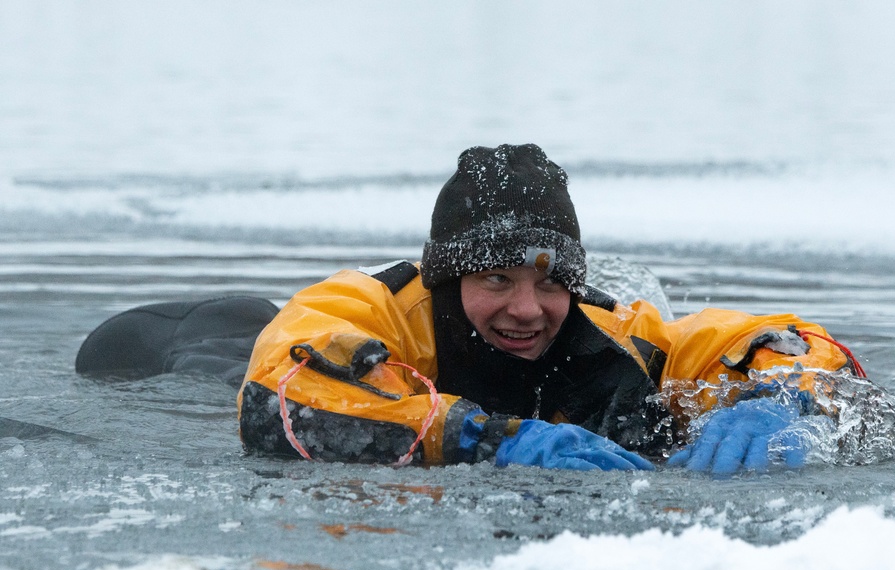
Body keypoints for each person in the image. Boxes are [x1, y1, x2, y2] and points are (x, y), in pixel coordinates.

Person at [237, 143, 859, 473]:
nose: (527, 309)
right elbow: (278, 392)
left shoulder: (613, 335)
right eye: (497, 281)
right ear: (449, 279)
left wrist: (784, 400)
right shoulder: (375, 309)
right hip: (202, 343)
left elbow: (785, 343)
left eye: (551, 284)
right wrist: (480, 439)